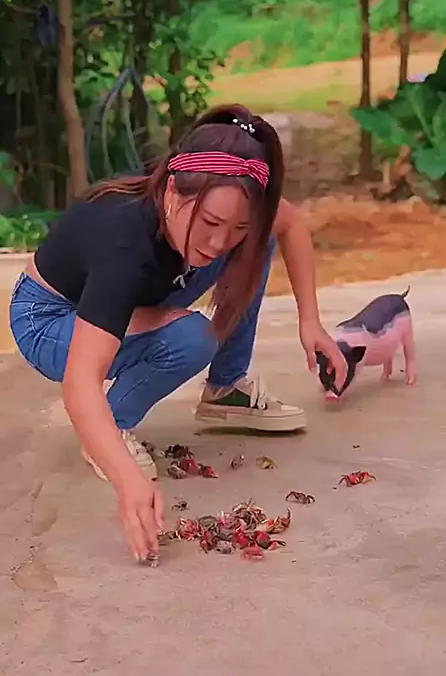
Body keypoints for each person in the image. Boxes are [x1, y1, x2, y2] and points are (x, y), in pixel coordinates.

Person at [9, 103, 347, 562]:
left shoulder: (213, 215)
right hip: (50, 318)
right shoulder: (124, 243)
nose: (219, 242)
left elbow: (289, 224)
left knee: (258, 242)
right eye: (210, 223)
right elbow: (80, 381)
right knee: (191, 338)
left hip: (131, 294)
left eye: (236, 227)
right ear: (173, 189)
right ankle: (110, 428)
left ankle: (226, 387)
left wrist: (311, 322)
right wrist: (128, 481)